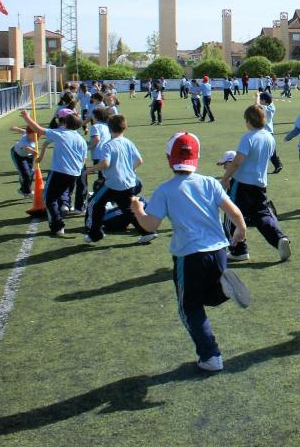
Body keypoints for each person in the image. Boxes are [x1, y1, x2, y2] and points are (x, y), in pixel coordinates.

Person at [130, 132, 250, 372]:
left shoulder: (165, 190)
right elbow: (234, 212)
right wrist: (240, 232)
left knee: (190, 308)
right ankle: (224, 290)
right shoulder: (210, 182)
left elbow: (150, 225)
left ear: (169, 159)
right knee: (208, 295)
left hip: (189, 256)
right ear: (197, 157)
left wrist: (137, 209)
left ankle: (210, 356)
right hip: (219, 252)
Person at [220, 105, 290, 262]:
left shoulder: (248, 138)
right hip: (260, 185)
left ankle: (239, 250)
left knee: (232, 213)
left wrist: (225, 178)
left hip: (242, 184)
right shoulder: (269, 138)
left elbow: (237, 162)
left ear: (248, 121)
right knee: (262, 215)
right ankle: (279, 239)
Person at [84, 114, 152, 243]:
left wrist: (90, 169)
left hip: (113, 183)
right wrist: (129, 170)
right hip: (129, 183)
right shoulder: (128, 142)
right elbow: (139, 160)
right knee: (128, 209)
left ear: (109, 129)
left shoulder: (108, 145)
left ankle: (95, 234)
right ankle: (147, 232)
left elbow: (105, 163)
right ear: (124, 128)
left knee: (94, 204)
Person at [20, 108, 87, 236]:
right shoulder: (81, 140)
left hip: (59, 172)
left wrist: (26, 117)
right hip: (74, 174)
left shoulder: (60, 133)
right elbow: (83, 160)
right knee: (56, 198)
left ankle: (57, 227)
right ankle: (62, 213)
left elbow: (38, 129)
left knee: (49, 198)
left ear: (65, 123)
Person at [9, 126, 37, 198]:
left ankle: (22, 190)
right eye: (34, 134)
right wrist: (33, 151)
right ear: (29, 134)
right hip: (18, 155)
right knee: (26, 174)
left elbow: (22, 131)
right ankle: (27, 192)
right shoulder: (23, 141)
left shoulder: (29, 134)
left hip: (29, 156)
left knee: (30, 174)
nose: (36, 136)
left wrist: (15, 128)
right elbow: (26, 148)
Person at [259, 91, 283, 174]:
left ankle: (276, 165)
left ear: (264, 101)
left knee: (264, 152)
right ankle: (278, 165)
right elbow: (270, 100)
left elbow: (257, 105)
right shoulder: (272, 107)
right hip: (270, 132)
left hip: (265, 133)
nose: (259, 101)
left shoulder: (264, 108)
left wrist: (257, 96)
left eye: (260, 99)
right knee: (272, 152)